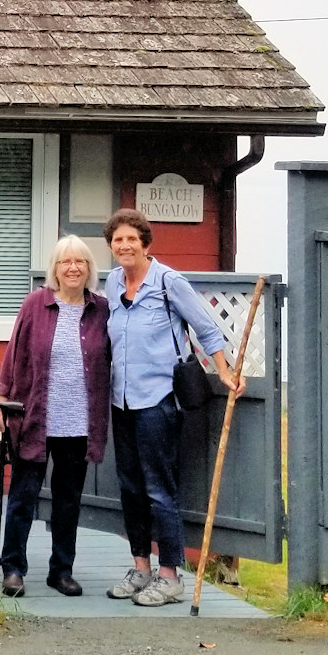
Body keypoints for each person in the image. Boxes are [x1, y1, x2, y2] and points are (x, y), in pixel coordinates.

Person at [101, 208, 244, 606]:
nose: (125, 245)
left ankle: (170, 575)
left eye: (132, 238)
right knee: (129, 488)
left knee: (159, 489)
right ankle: (141, 568)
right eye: (118, 240)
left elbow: (206, 327)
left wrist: (225, 371)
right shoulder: (113, 283)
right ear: (111, 246)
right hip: (121, 400)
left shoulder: (168, 282)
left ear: (145, 243)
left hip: (158, 400)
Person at [0, 235, 112, 598]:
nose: (73, 268)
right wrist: (0, 397)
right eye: (66, 262)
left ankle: (61, 570)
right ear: (56, 269)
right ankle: (13, 568)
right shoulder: (36, 303)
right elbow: (15, 352)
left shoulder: (101, 310)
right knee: (23, 496)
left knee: (67, 500)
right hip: (35, 417)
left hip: (79, 422)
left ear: (89, 269)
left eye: (81, 262)